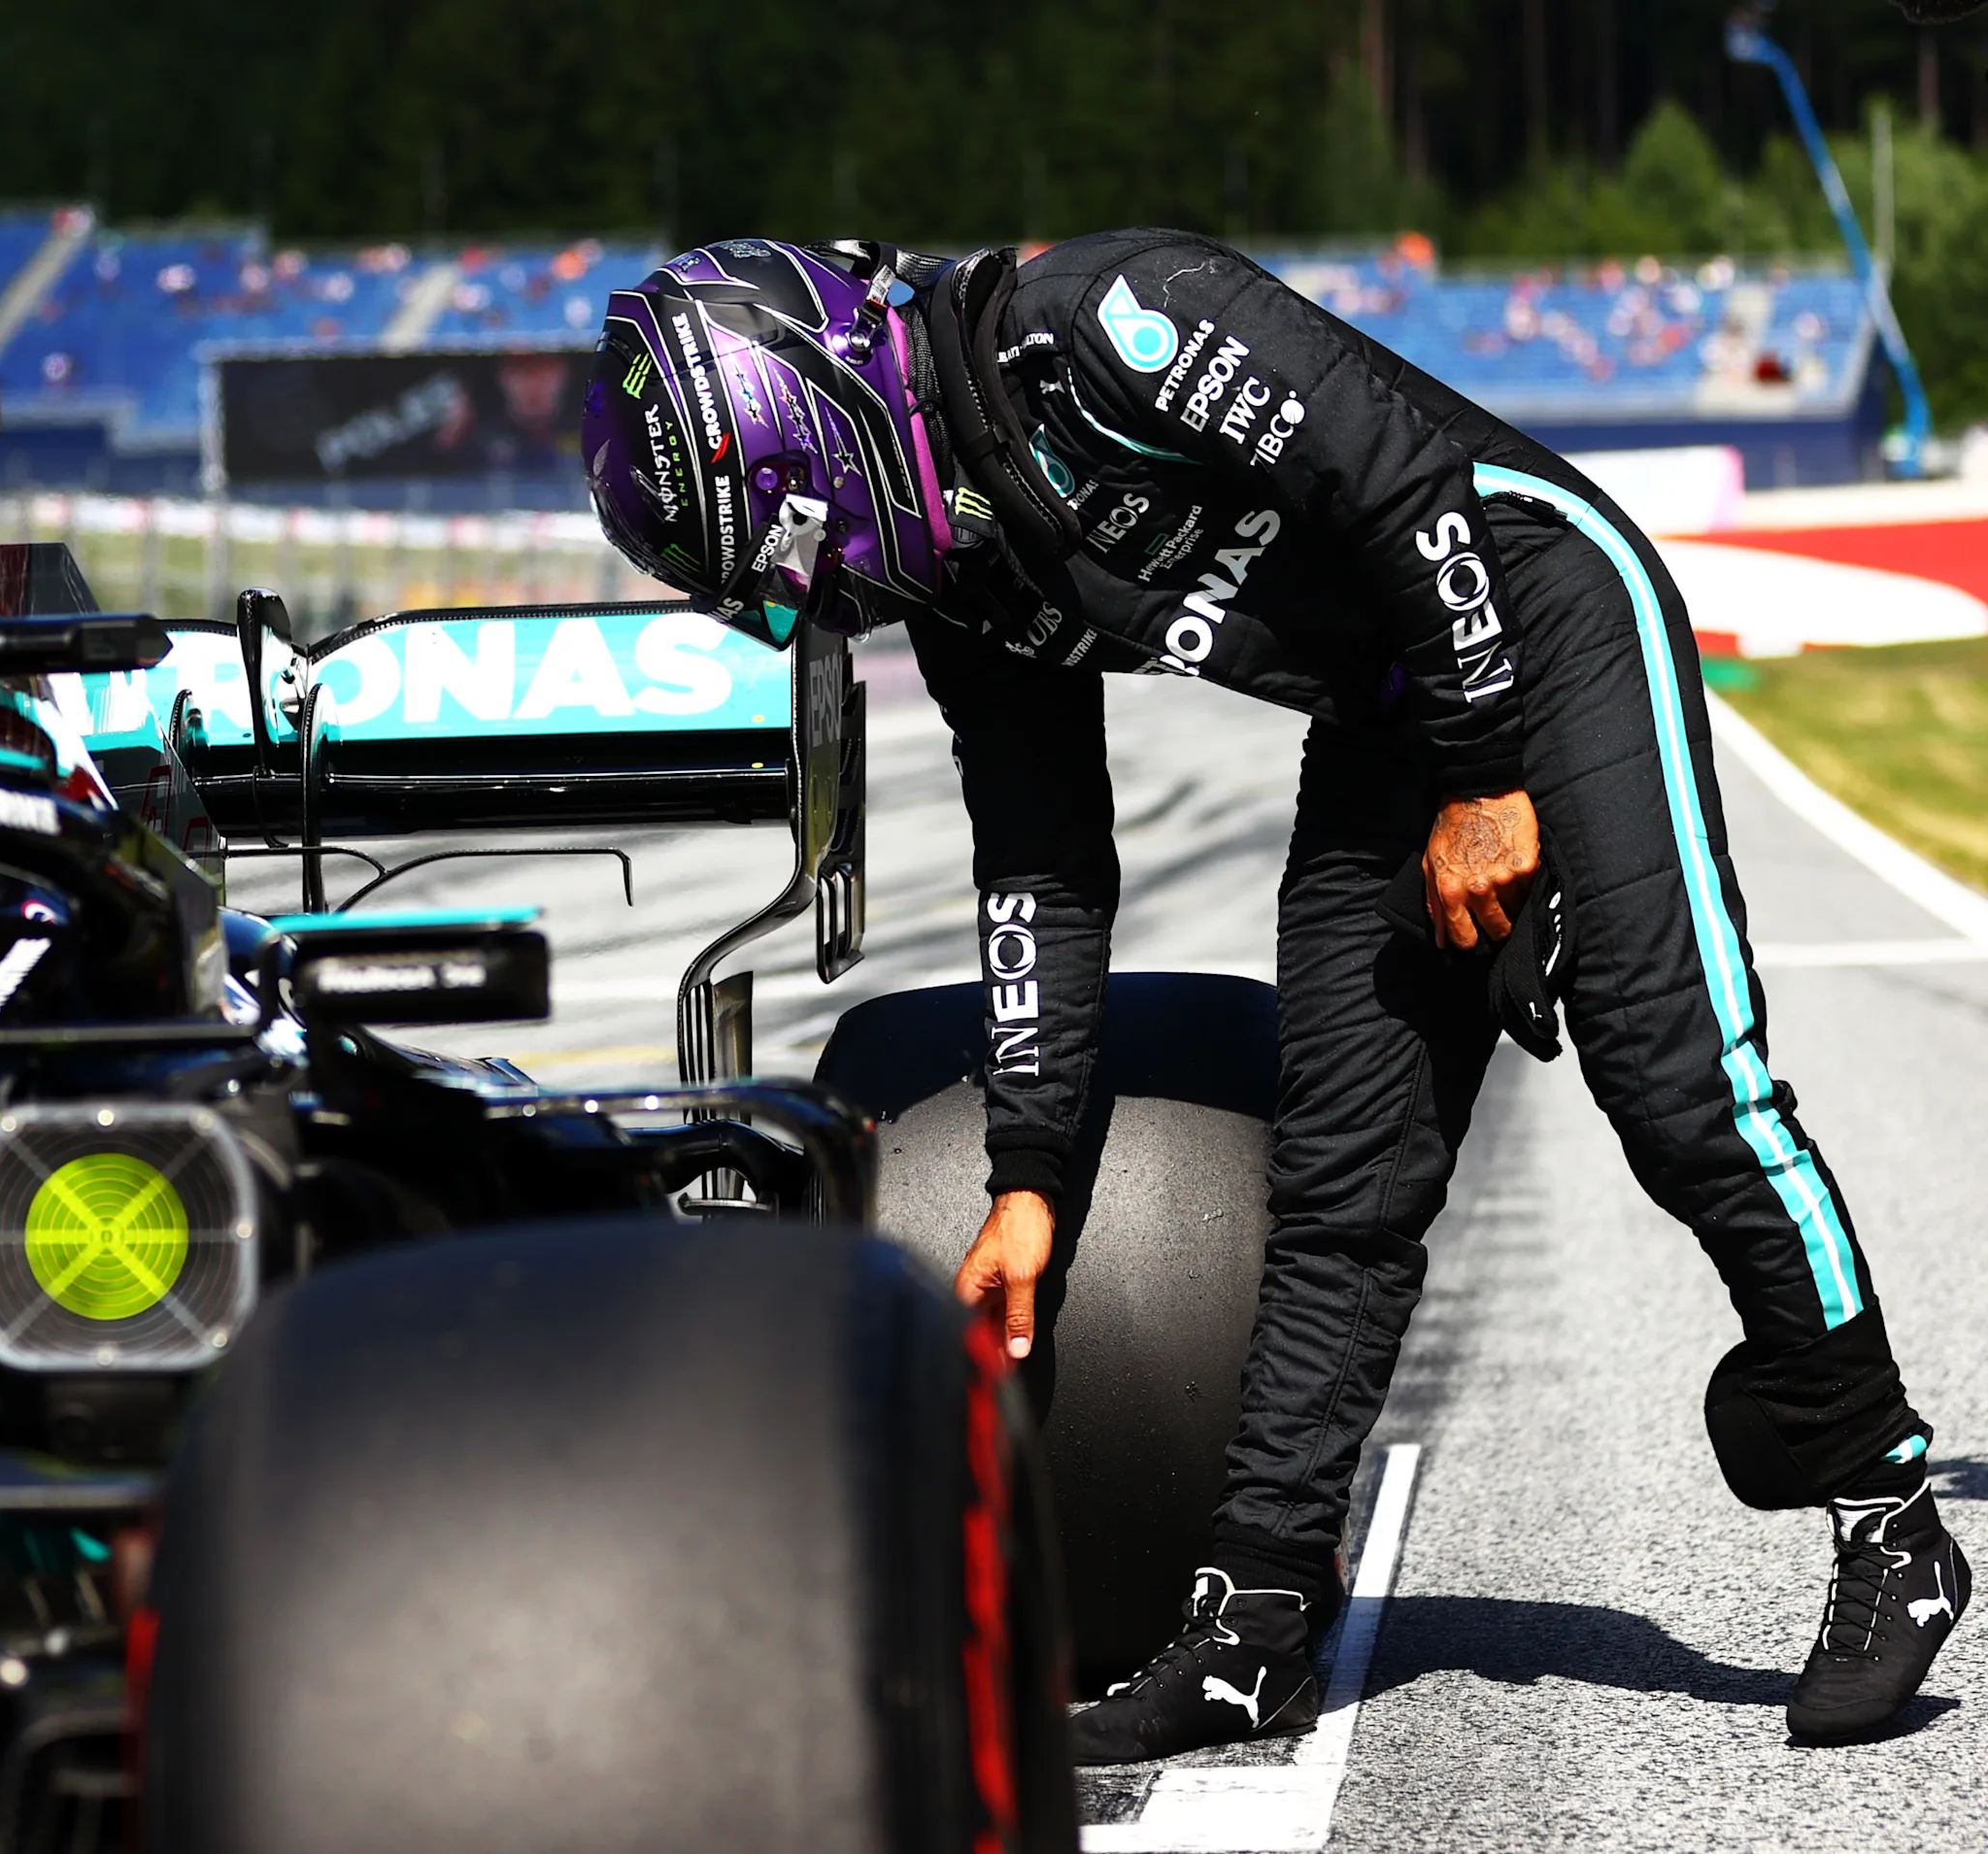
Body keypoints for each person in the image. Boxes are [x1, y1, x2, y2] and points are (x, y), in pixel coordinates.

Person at [577, 234, 1961, 1756]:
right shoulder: (966, 580)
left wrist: (1494, 783)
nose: (831, 588)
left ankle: (1889, 1515)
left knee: (1677, 1081)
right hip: (1383, 720)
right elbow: (1043, 867)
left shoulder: (1101, 322)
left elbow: (1405, 487)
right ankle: (1256, 1625)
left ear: (820, 404)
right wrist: (1030, 1174)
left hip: (1541, 615)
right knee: (1342, 1181)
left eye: (800, 546)